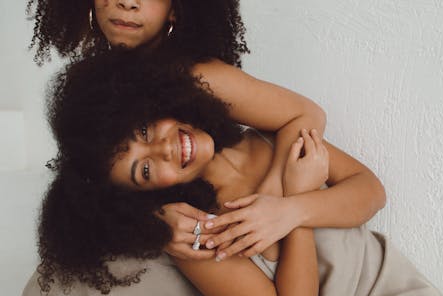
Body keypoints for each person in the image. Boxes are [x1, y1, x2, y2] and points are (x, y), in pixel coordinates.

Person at [18, 52, 443, 296]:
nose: (167, 147)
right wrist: (290, 216)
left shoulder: (269, 139)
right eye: (146, 168)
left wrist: (290, 208)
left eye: (145, 128)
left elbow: (371, 192)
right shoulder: (197, 228)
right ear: (146, 195)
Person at [27, 0, 331, 260]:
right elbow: (95, 180)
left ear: (175, 10)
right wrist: (152, 221)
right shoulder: (98, 91)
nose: (127, 3)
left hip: (219, 242)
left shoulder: (196, 78)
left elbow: (307, 114)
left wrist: (269, 203)